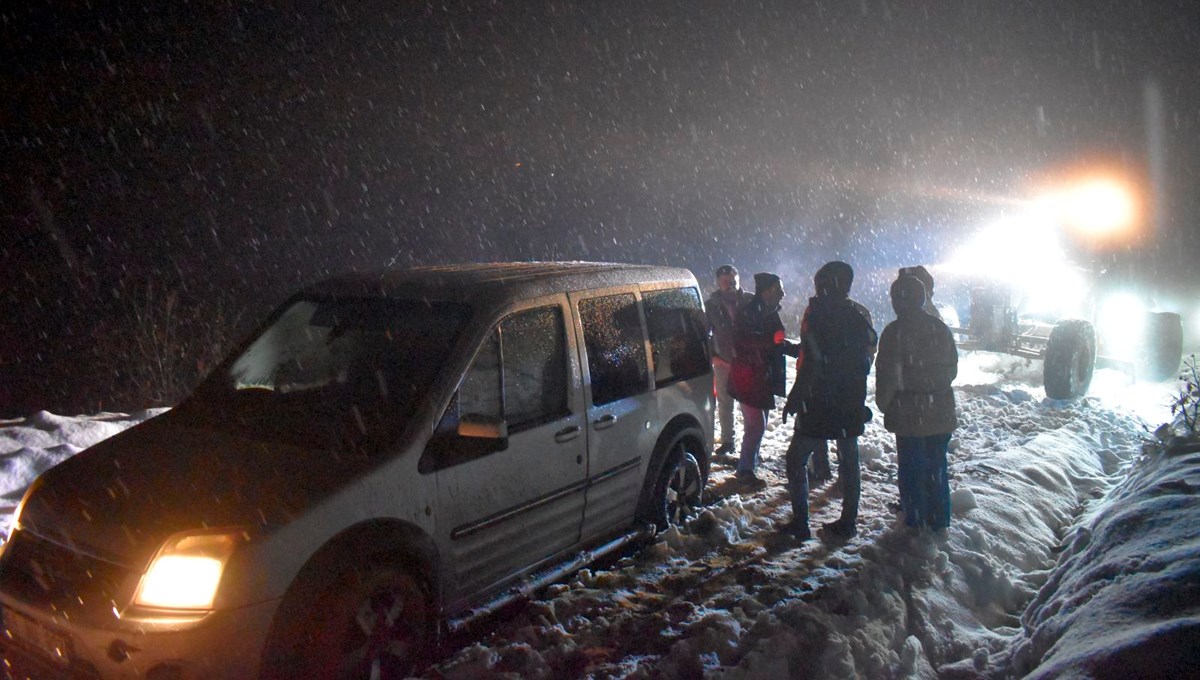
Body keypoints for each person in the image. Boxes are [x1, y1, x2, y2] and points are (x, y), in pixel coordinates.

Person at [781, 261, 877, 540]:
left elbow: (812, 362)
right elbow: (869, 350)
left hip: (820, 403)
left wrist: (796, 397)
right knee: (849, 461)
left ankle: (801, 523)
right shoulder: (857, 316)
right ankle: (848, 521)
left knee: (796, 459)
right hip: (849, 403)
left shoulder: (819, 315)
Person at [875, 275, 959, 531]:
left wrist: (885, 403)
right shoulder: (939, 328)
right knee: (936, 467)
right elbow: (952, 369)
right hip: (940, 410)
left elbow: (888, 375)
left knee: (911, 469)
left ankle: (916, 520)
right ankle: (939, 518)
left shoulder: (894, 332)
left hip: (909, 413)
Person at [726, 272, 800, 489]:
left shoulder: (768, 312)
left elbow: (773, 342)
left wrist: (794, 349)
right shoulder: (749, 312)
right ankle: (745, 470)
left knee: (758, 425)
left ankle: (749, 465)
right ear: (767, 291)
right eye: (779, 289)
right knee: (756, 425)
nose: (783, 293)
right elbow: (742, 342)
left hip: (762, 379)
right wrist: (771, 343)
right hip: (748, 378)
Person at [706, 264, 754, 457]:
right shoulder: (711, 305)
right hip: (723, 361)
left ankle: (750, 444)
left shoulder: (750, 301)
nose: (730, 285)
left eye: (733, 281)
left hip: (748, 361)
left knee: (749, 404)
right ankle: (728, 441)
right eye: (726, 282)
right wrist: (714, 354)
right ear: (718, 283)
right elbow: (705, 332)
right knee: (725, 405)